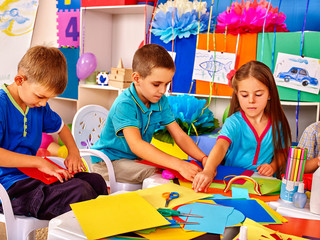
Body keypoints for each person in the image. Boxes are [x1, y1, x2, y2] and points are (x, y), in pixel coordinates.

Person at [0, 46, 107, 220]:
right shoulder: (2, 104)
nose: (43, 104)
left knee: (96, 181)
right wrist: (38, 162)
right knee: (79, 192)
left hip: (32, 175)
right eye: (40, 96)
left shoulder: (37, 106)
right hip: (8, 185)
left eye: (48, 99)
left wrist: (73, 152)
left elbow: (61, 128)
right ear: (20, 80)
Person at [91, 43, 207, 184]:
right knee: (161, 174)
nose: (162, 90)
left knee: (170, 169)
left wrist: (203, 158)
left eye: (167, 84)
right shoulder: (124, 104)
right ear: (137, 78)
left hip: (134, 159)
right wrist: (179, 164)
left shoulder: (160, 101)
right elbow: (137, 145)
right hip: (108, 163)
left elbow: (180, 136)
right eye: (156, 84)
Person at [193, 60, 292, 192]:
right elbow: (221, 145)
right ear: (237, 94)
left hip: (263, 183)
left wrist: (273, 167)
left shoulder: (277, 125)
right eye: (244, 95)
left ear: (269, 93)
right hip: (232, 180)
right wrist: (209, 171)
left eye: (258, 94)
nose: (251, 100)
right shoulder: (234, 122)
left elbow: (282, 152)